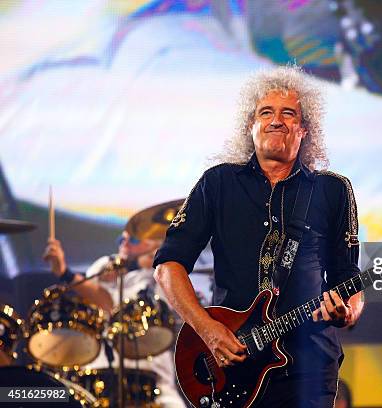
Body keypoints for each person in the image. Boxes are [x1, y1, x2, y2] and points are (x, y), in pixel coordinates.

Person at [153, 65, 365, 407]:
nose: (276, 120)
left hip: (310, 364)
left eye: (288, 114)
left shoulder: (332, 190)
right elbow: (168, 267)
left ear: (305, 130)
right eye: (266, 112)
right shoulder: (218, 183)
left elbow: (348, 280)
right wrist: (207, 329)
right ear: (250, 126)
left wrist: (348, 311)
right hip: (233, 365)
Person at [43, 231, 186, 407]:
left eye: (133, 238)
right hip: (102, 373)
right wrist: (65, 273)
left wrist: (158, 257)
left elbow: (116, 305)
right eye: (122, 239)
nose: (125, 243)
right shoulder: (105, 265)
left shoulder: (163, 272)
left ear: (154, 243)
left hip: (153, 378)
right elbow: (104, 302)